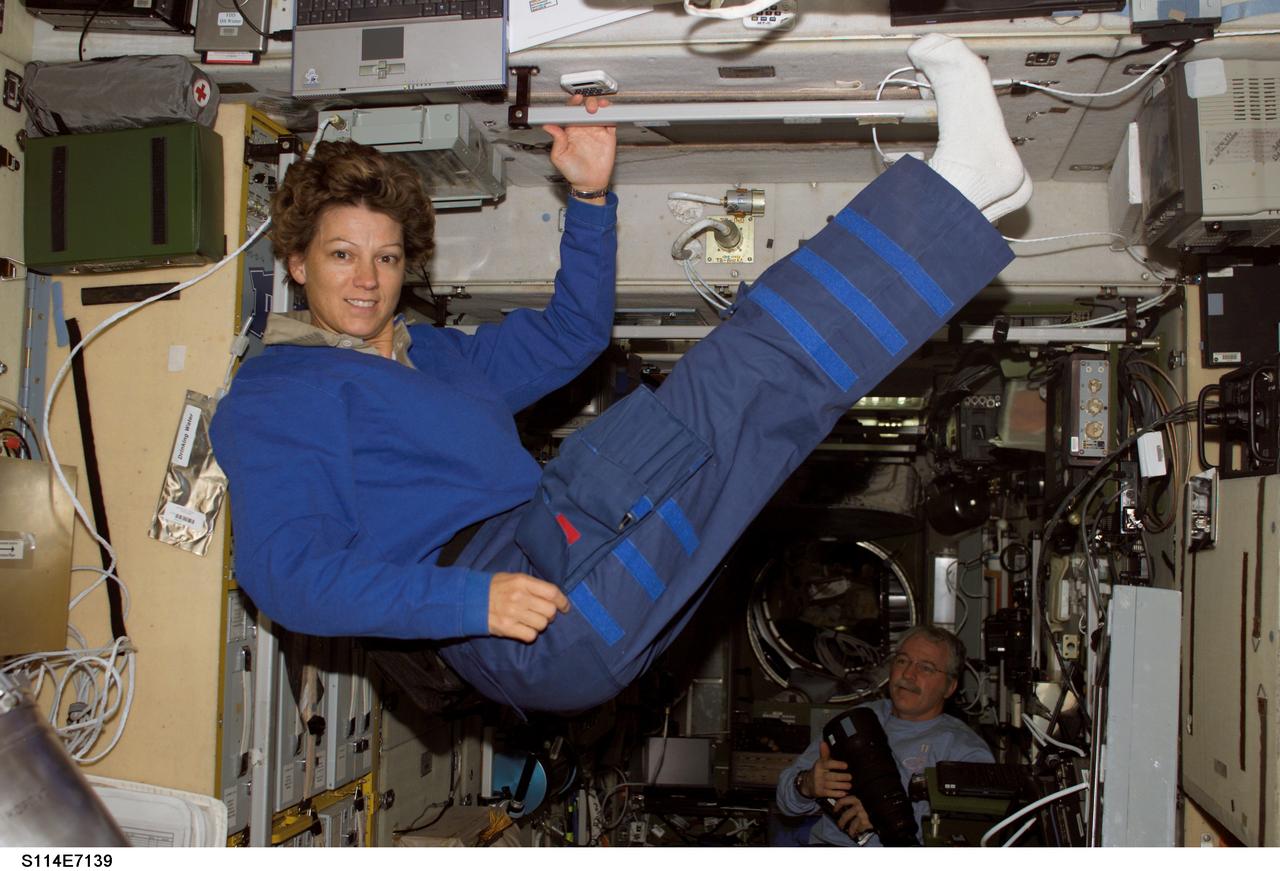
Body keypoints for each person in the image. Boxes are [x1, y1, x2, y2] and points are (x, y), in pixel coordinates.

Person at [211, 34, 1031, 716]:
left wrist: (592, 202)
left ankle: (970, 194)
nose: (366, 279)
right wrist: (471, 602)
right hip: (514, 607)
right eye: (342, 255)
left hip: (547, 543)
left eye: (386, 257)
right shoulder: (279, 388)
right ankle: (963, 185)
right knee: (735, 383)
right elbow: (286, 575)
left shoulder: (438, 356)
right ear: (295, 263)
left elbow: (573, 335)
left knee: (752, 408)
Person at [775, 625, 994, 846]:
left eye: (926, 668)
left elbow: (968, 835)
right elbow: (785, 802)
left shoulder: (963, 750)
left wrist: (887, 818)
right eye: (902, 661)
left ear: (950, 687)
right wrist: (806, 784)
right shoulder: (855, 722)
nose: (908, 674)